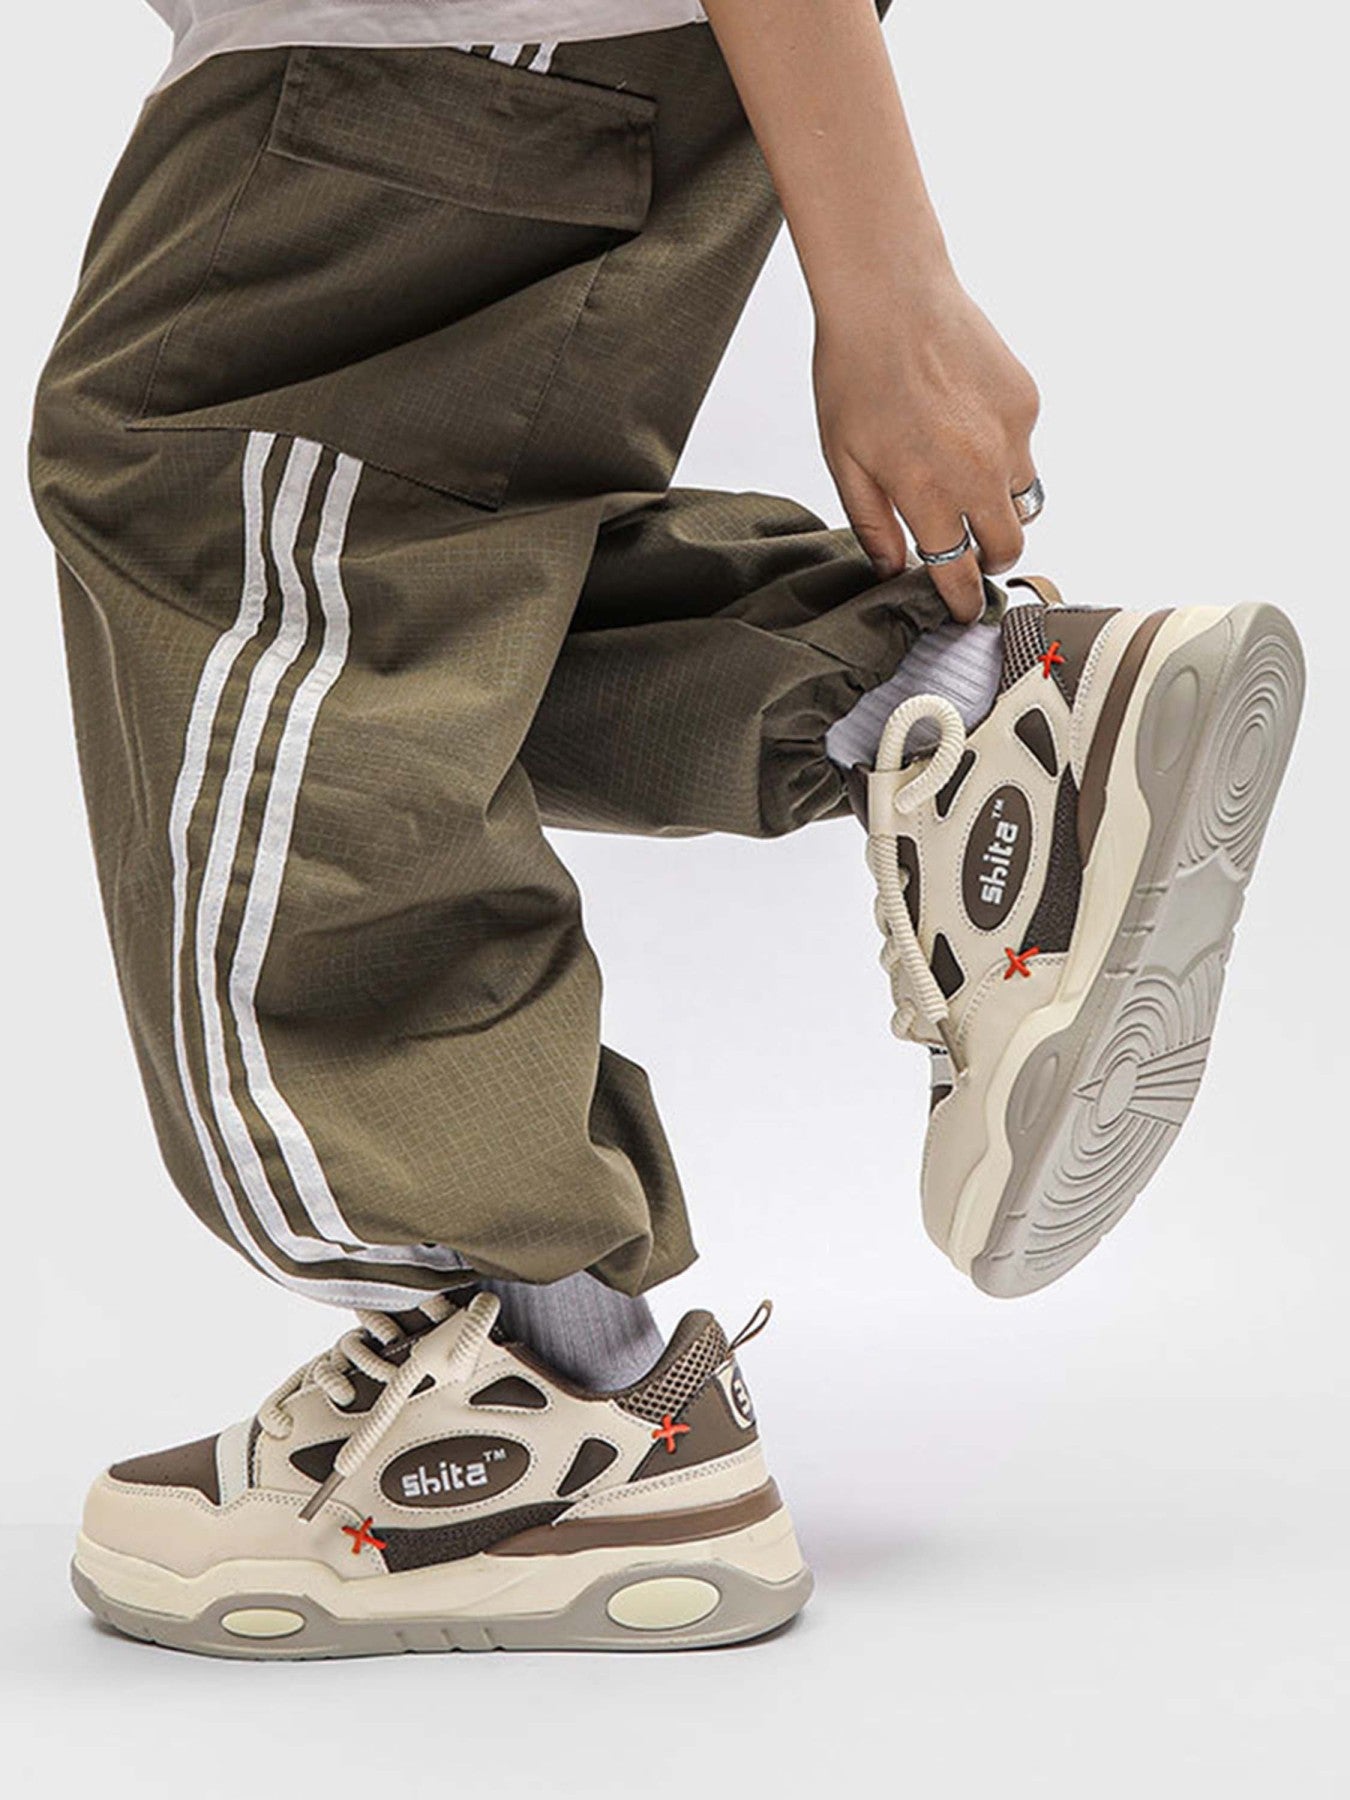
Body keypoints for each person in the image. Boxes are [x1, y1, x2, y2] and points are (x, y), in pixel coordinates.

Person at [30, 0, 1303, 1658]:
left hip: (422, 43)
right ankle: (970, 718)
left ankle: (544, 1401)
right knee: (370, 567)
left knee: (233, 552)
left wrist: (889, 286)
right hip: (469, 50)